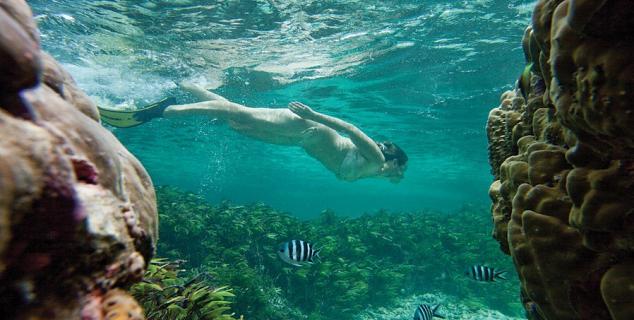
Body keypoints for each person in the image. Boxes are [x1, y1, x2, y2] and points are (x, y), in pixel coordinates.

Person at [160, 83, 408, 182]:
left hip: (298, 140)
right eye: (402, 168)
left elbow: (393, 178)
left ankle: (190, 85)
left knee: (238, 123)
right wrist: (312, 115)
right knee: (242, 115)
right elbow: (349, 129)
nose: (402, 174)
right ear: (394, 160)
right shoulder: (375, 157)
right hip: (308, 126)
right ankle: (171, 109)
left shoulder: (378, 171)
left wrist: (395, 175)